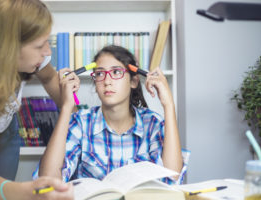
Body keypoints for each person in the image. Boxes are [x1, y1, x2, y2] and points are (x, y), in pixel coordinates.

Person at [0, 0, 73, 199]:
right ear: (8, 47)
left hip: (5, 136)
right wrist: (28, 191)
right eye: (40, 45)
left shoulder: (36, 58)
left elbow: (50, 78)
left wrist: (76, 117)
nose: (48, 52)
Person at [35, 45, 185, 184]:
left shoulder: (152, 122)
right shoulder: (81, 122)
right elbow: (48, 179)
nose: (107, 81)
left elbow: (172, 177)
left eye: (116, 72)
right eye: (100, 73)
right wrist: (67, 106)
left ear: (133, 81)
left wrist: (168, 105)